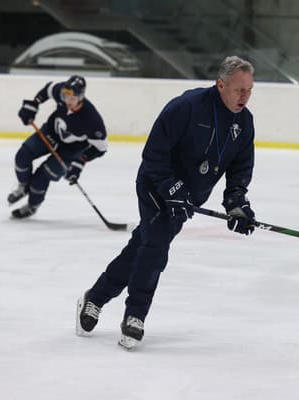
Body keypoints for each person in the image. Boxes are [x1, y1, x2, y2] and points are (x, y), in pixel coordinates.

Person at [75, 56, 257, 349]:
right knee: (156, 245)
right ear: (221, 85)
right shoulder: (186, 107)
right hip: (154, 187)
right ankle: (135, 315)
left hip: (188, 200)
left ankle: (95, 297)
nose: (245, 97)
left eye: (249, 90)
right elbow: (154, 154)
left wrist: (236, 203)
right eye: (239, 90)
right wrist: (172, 187)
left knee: (142, 246)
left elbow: (240, 168)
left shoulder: (244, 122)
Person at [8, 75, 108, 218]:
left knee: (41, 177)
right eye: (65, 96)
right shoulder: (62, 92)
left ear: (81, 97)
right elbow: (48, 89)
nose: (67, 101)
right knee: (22, 156)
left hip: (71, 151)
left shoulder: (91, 119)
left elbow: (101, 147)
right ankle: (23, 187)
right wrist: (33, 104)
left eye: (72, 99)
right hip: (50, 133)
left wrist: (80, 161)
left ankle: (32, 206)